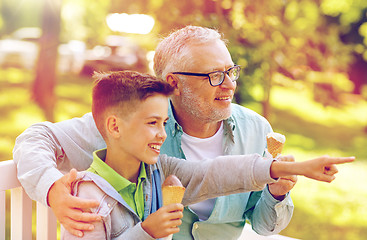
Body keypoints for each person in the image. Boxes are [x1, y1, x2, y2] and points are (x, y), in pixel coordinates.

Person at [11, 26, 350, 239]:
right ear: (173, 83)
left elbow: (261, 223)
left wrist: (277, 189)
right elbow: (36, 137)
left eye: (231, 71)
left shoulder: (257, 131)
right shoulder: (135, 126)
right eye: (214, 76)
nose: (230, 85)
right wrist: (53, 188)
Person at [60, 70, 353, 239]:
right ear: (114, 127)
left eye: (164, 122)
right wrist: (146, 232)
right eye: (152, 123)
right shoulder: (87, 197)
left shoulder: (158, 170)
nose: (163, 134)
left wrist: (289, 168)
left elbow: (214, 173)